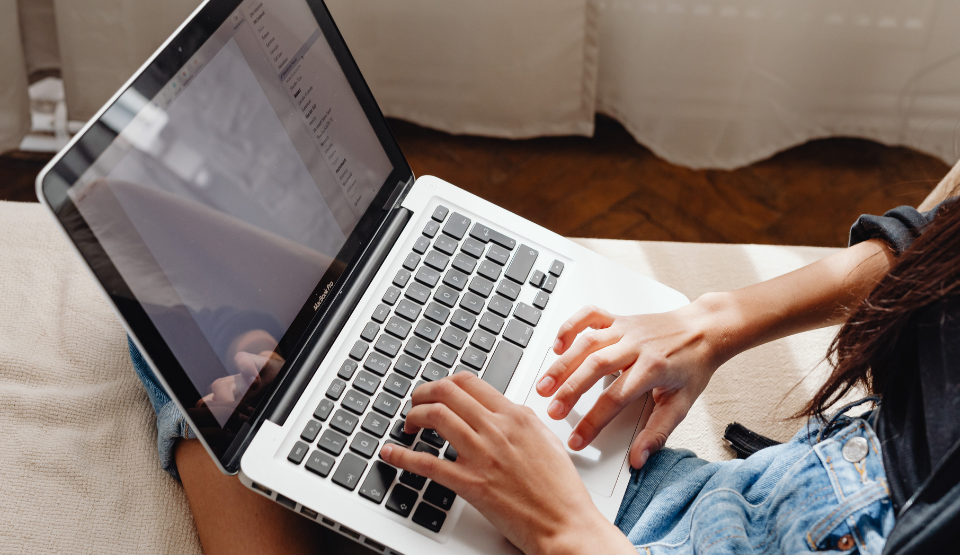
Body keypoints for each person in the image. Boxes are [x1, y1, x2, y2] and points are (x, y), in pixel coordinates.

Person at [135, 194, 958, 554]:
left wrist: (569, 532)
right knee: (155, 223)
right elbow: (931, 242)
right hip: (735, 497)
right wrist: (718, 320)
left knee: (183, 339)